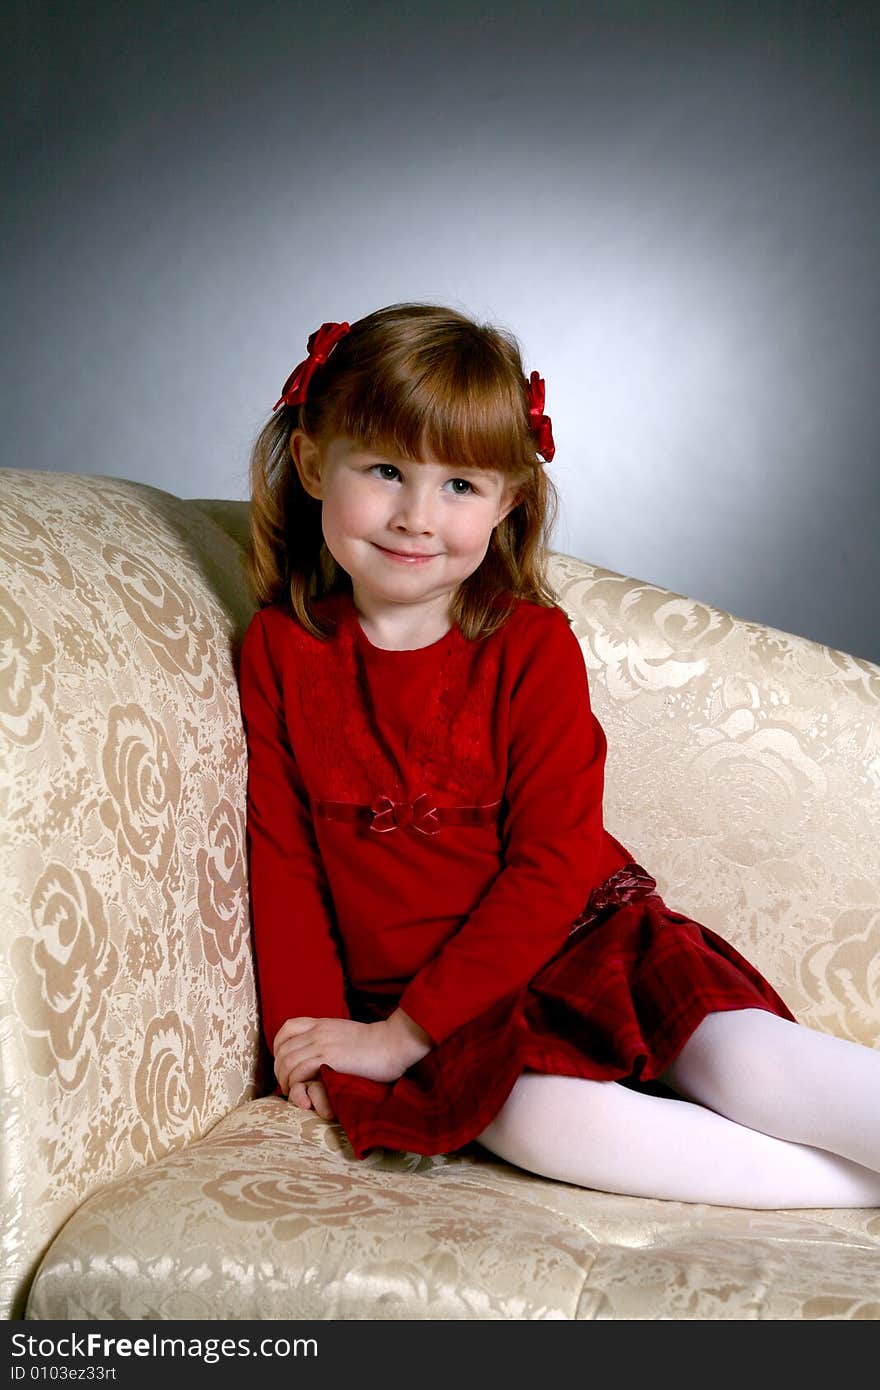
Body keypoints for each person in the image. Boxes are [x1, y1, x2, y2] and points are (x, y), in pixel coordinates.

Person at [238, 302, 880, 1210]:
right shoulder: (280, 650)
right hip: (435, 1003)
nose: (418, 516)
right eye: (386, 471)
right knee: (537, 1126)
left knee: (752, 1070)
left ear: (508, 502)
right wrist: (303, 1031)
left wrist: (403, 1039)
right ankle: (853, 1193)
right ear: (310, 462)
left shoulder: (528, 644)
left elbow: (554, 861)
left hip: (582, 938)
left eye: (460, 485)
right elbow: (284, 859)